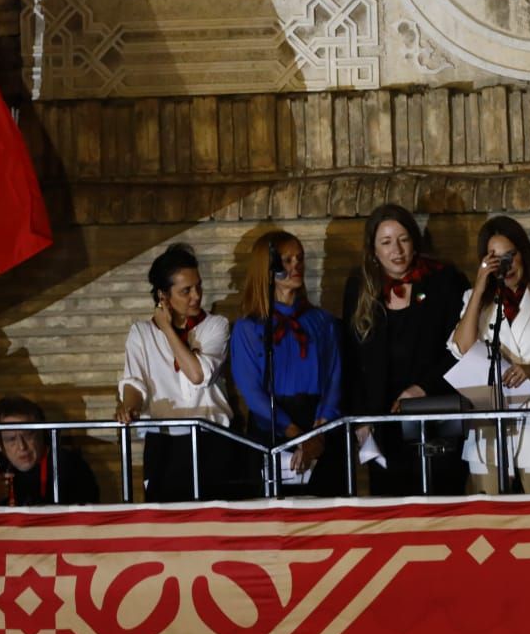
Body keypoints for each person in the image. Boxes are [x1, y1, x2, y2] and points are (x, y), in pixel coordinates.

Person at [343, 204, 471, 495]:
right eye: (386, 243)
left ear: (415, 241)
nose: (396, 250)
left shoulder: (445, 281)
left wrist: (423, 388)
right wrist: (361, 417)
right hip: (384, 423)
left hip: (438, 413)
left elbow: (461, 349)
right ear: (373, 250)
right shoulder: (359, 287)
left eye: (403, 239)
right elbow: (352, 359)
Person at [450, 216, 530, 492]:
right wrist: (479, 289)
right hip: (488, 425)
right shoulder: (474, 300)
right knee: (489, 521)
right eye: (496, 259)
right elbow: (461, 348)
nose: (505, 266)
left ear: (524, 254)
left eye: (510, 255)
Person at [116, 243, 234, 501]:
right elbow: (135, 382)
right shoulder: (141, 332)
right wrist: (130, 407)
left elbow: (198, 375)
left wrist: (168, 330)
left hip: (211, 438)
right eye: (186, 291)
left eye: (198, 286)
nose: (196, 296)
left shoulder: (216, 325)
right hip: (164, 440)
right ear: (163, 295)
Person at [231, 231, 343, 495]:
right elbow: (251, 391)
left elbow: (334, 377)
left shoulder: (322, 322)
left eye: (300, 259)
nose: (296, 266)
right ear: (269, 268)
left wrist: (317, 434)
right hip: (273, 425)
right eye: (287, 260)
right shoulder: (249, 328)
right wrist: (295, 435)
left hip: (319, 425)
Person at [0, 395, 99, 506]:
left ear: (42, 433)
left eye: (28, 435)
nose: (22, 446)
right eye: (11, 439)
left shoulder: (70, 465)